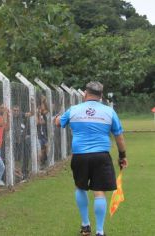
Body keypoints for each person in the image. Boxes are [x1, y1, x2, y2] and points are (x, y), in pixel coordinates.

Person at [55, 81, 128, 236]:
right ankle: (100, 231)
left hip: (80, 156)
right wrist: (122, 156)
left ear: (85, 94)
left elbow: (58, 123)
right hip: (101, 156)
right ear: (101, 96)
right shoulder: (109, 112)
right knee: (99, 192)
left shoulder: (73, 110)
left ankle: (85, 225)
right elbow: (119, 138)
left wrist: (57, 117)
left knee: (80, 187)